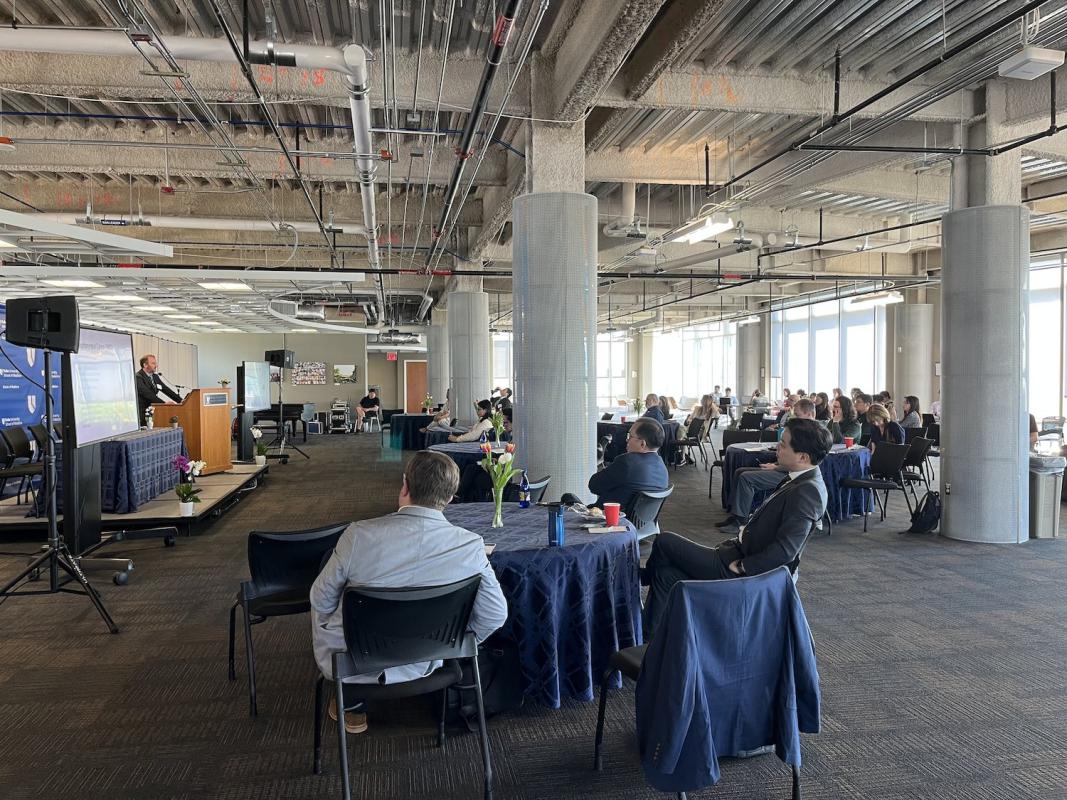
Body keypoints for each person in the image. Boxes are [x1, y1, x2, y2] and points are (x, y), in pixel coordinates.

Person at [310, 451, 508, 734]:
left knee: (327, 594)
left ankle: (351, 704)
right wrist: (452, 643)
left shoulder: (358, 536)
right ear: (451, 497)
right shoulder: (470, 546)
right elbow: (494, 615)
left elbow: (320, 599)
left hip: (357, 661)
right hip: (429, 657)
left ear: (405, 486)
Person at [643, 418, 831, 636]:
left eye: (784, 444)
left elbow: (786, 551)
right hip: (734, 551)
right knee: (666, 575)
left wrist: (745, 566)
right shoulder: (801, 480)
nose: (777, 446)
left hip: (737, 568)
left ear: (803, 457)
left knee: (665, 541)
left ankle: (643, 579)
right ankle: (649, 642)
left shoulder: (808, 491)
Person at [717, 398, 816, 533]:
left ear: (809, 414)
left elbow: (800, 463)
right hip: (785, 469)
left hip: (790, 475)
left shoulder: (811, 435)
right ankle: (735, 515)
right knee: (739, 471)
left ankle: (741, 521)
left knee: (746, 478)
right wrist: (776, 463)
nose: (794, 418)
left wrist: (776, 467)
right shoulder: (801, 431)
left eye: (797, 415)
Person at [587, 417, 669, 510]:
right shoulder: (662, 468)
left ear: (642, 444)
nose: (627, 440)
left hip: (608, 520)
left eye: (630, 436)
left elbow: (594, 486)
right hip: (642, 523)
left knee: (568, 498)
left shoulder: (627, 463)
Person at [135, 354, 181, 424]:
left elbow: (166, 389)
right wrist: (163, 404)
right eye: (153, 363)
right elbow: (148, 394)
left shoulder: (155, 376)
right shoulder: (138, 377)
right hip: (143, 413)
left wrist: (181, 401)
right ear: (145, 365)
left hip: (153, 411)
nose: (156, 366)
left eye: (155, 363)